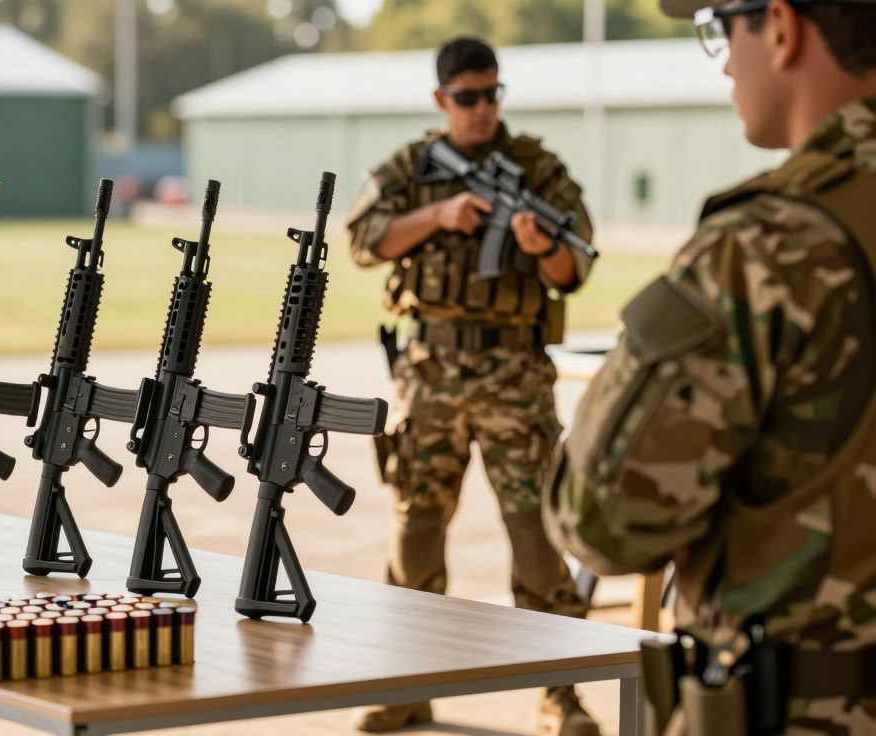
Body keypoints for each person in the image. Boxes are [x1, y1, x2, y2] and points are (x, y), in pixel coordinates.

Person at [544, 0, 876, 733]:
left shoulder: (763, 247)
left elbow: (601, 521)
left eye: (722, 28)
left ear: (783, 28)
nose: (725, 60)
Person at [346, 37, 599, 735]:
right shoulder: (412, 167)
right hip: (429, 374)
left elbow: (577, 267)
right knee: (416, 536)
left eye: (492, 94)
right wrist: (438, 214)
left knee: (538, 538)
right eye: (468, 97)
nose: (483, 109)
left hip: (514, 374)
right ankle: (408, 684)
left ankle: (560, 693)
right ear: (441, 101)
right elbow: (363, 239)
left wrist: (542, 247)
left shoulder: (536, 170)